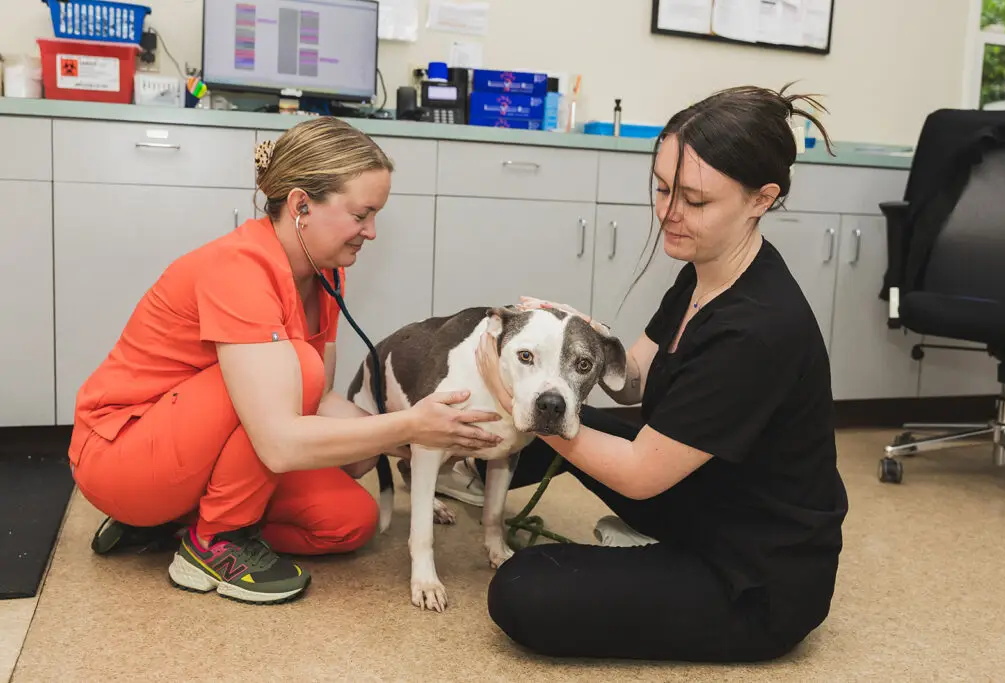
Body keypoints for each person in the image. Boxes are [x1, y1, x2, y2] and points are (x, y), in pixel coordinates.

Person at [473, 84, 850, 662]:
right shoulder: (704, 270)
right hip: (709, 493)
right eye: (662, 188)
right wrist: (571, 338)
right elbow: (635, 381)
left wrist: (512, 393)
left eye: (694, 200)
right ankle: (462, 472)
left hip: (758, 575)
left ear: (760, 199)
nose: (669, 213)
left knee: (523, 588)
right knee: (568, 411)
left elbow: (638, 475)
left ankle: (660, 568)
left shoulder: (758, 329)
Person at [68, 117, 504, 605]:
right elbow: (279, 441)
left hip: (194, 447)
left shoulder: (326, 275)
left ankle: (175, 523)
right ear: (301, 205)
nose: (372, 232)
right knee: (302, 368)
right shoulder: (238, 269)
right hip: (121, 455)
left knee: (349, 522)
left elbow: (312, 401)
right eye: (362, 214)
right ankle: (213, 542)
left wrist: (400, 439)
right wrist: (407, 425)